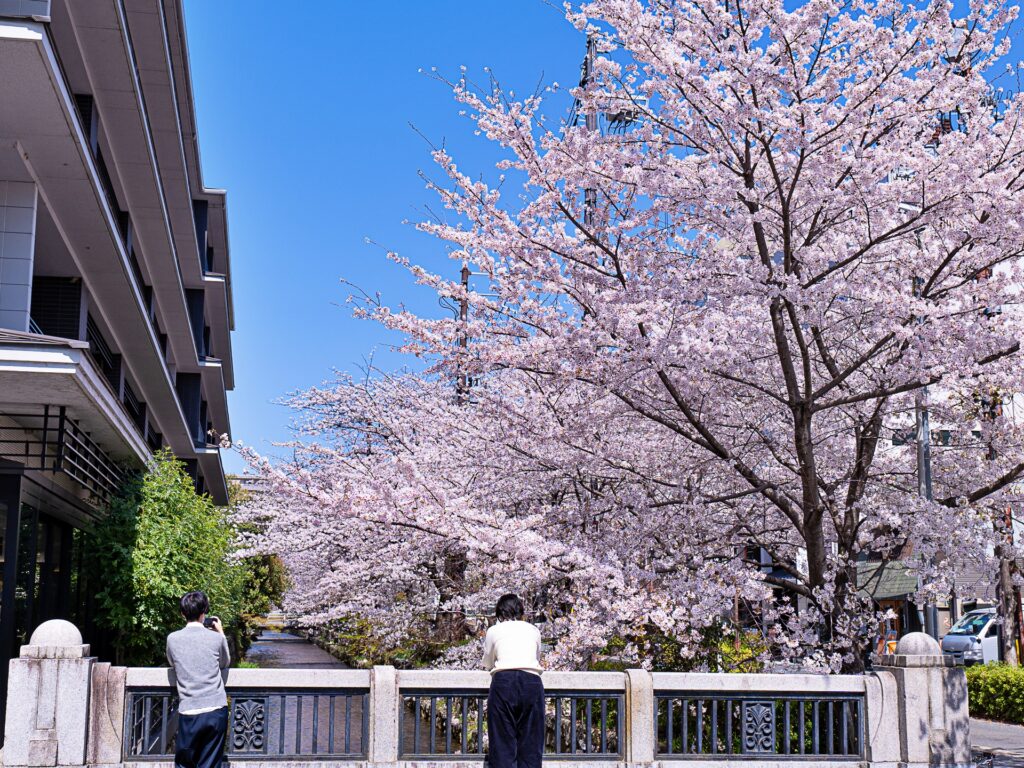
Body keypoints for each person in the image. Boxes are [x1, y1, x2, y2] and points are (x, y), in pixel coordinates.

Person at [166, 591, 230, 768]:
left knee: (185, 763)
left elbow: (172, 662)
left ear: (182, 614)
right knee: (210, 763)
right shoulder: (216, 638)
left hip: (189, 710)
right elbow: (225, 662)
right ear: (205, 612)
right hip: (216, 709)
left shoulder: (172, 639)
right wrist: (221, 633)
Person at [482, 593, 544, 768]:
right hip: (531, 680)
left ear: (500, 612)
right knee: (531, 741)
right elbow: (536, 657)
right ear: (521, 610)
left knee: (502, 741)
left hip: (503, 681)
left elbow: (488, 662)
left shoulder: (493, 630)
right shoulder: (533, 630)